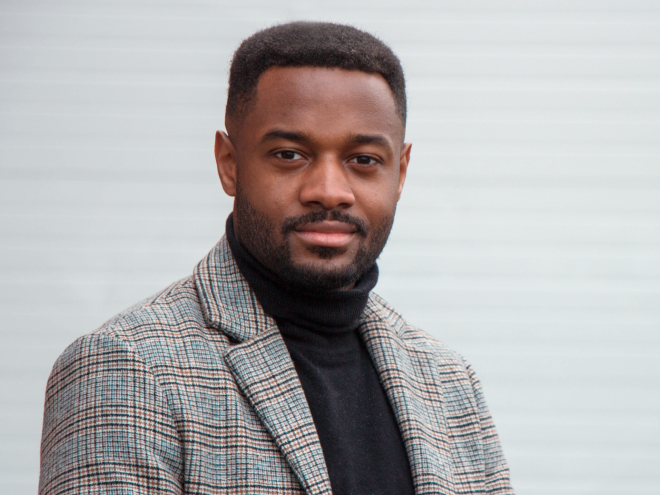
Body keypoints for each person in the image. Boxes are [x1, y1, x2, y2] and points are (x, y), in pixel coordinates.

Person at [39, 21, 514, 495]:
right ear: (229, 163)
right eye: (289, 155)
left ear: (401, 172)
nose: (329, 190)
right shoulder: (127, 367)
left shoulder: (449, 381)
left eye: (364, 160)